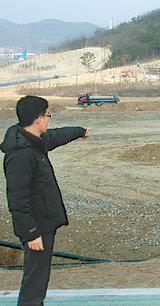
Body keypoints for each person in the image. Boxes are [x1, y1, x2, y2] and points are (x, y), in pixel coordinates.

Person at [0, 95, 90, 306]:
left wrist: (79, 132)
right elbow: (17, 198)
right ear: (39, 119)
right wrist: (31, 232)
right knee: (34, 283)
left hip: (42, 223)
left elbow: (57, 136)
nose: (49, 120)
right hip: (36, 227)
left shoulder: (32, 140)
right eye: (48, 115)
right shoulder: (21, 154)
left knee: (38, 280)